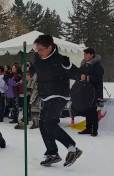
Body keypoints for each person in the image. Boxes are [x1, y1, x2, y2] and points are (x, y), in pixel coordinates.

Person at [32, 35, 82, 167]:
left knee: (49, 123)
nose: (38, 52)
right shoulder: (37, 57)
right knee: (43, 124)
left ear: (50, 47)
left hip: (59, 95)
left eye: (41, 49)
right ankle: (52, 153)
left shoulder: (61, 60)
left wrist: (70, 68)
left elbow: (77, 74)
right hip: (46, 94)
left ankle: (72, 148)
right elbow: (34, 69)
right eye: (36, 49)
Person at [78, 48, 104, 137]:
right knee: (87, 110)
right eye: (84, 54)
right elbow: (79, 74)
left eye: (86, 54)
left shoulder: (97, 65)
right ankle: (88, 128)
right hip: (86, 91)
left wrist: (87, 77)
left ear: (91, 55)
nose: (84, 56)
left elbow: (98, 78)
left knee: (93, 111)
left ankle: (94, 130)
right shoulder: (84, 65)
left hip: (95, 91)